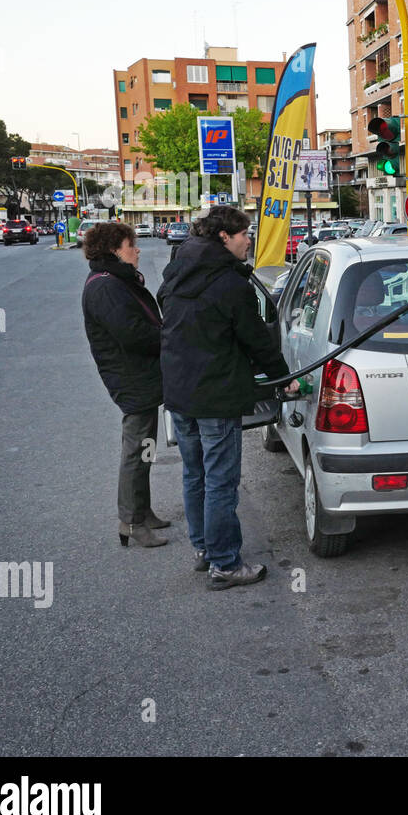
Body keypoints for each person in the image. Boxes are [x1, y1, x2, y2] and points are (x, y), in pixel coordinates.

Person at [157, 206, 299, 590]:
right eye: (244, 233)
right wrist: (283, 379)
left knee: (195, 474)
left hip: (179, 391)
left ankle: (205, 549)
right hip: (214, 395)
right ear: (224, 237)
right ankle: (225, 563)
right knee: (221, 480)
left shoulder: (177, 271)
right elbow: (256, 340)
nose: (249, 240)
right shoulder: (230, 283)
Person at [80, 221, 170, 549]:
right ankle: (131, 521)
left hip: (137, 374)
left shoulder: (115, 279)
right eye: (132, 245)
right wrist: (170, 337)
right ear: (116, 249)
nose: (138, 249)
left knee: (145, 446)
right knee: (137, 449)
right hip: (131, 377)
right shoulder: (106, 285)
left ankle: (142, 511)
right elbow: (132, 333)